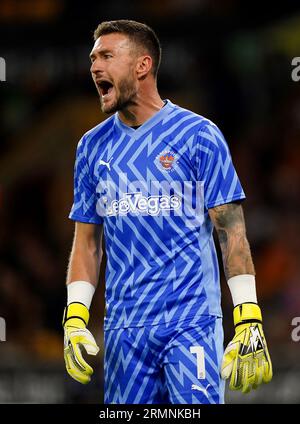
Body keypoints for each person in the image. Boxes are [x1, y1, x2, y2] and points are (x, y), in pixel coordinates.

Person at [62, 19, 272, 404]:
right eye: (93, 58)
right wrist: (75, 316)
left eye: (107, 56)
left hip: (191, 322)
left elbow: (231, 231)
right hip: (124, 331)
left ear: (142, 65)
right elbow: (88, 242)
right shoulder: (91, 148)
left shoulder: (199, 136)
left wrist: (248, 315)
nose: (94, 67)